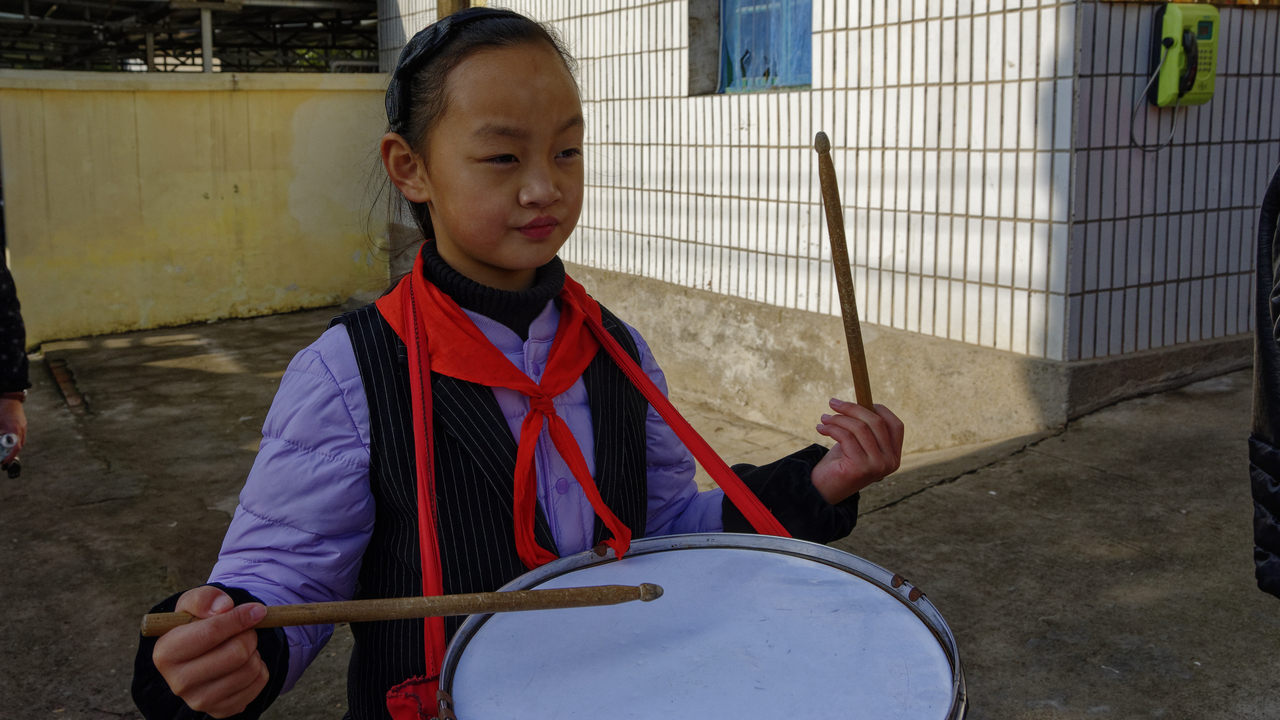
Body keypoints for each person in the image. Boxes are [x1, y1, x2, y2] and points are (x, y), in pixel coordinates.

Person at [130, 9, 906, 720]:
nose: (545, 187)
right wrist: (227, 649)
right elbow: (284, 583)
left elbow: (670, 535)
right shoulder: (349, 375)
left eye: (566, 150)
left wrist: (820, 482)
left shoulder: (616, 351)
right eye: (502, 156)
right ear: (410, 169)